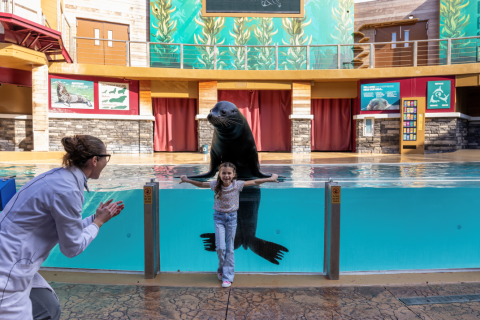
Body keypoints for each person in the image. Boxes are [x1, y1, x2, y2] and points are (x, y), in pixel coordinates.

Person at [0, 135, 125, 320]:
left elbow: (66, 230)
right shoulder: (68, 190)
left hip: (16, 259)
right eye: (106, 157)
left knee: (48, 306)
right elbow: (71, 247)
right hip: (9, 267)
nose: (106, 161)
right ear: (95, 160)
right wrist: (98, 223)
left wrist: (95, 217)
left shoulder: (61, 178)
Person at [180, 162, 278, 288]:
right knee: (220, 247)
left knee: (230, 248)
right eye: (224, 173)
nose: (226, 175)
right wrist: (187, 180)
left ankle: (228, 276)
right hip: (219, 218)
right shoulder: (215, 185)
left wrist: (271, 178)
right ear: (219, 174)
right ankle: (221, 269)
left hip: (232, 219)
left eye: (229, 173)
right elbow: (201, 184)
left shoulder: (237, 185)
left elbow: (254, 182)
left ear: (234, 174)